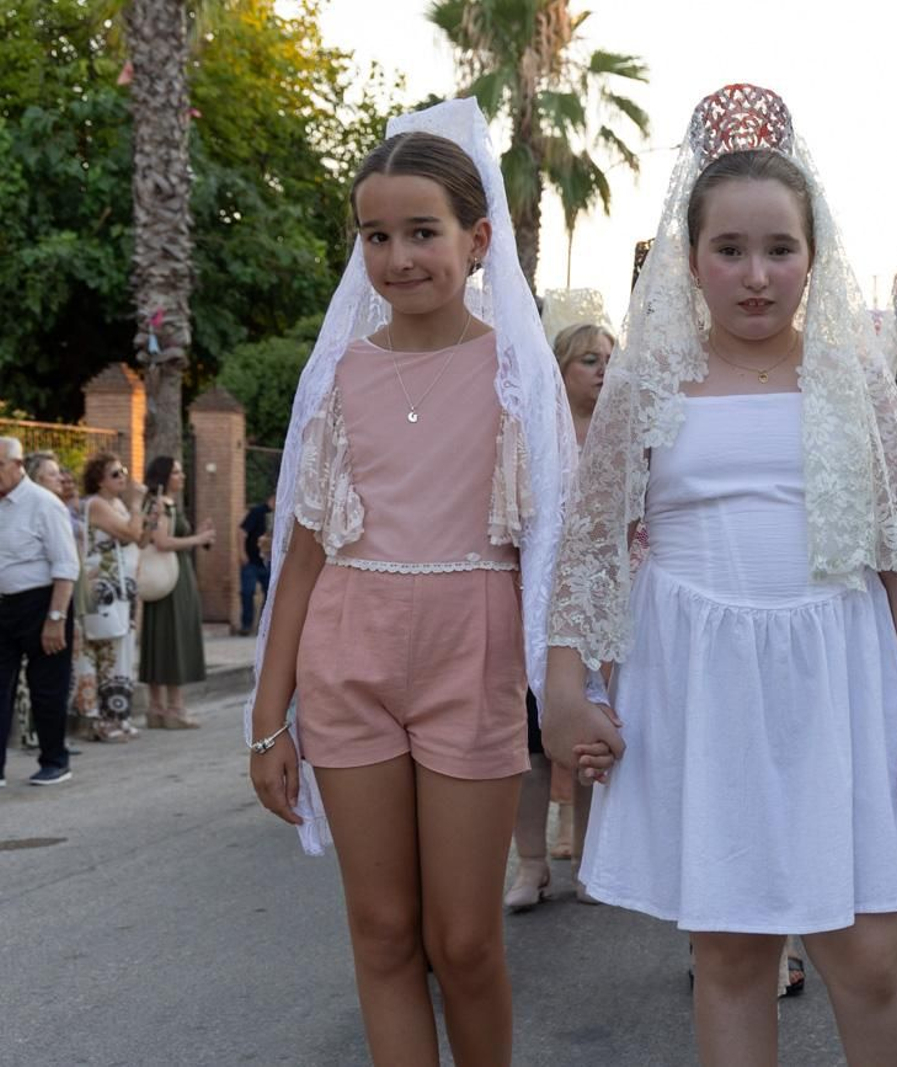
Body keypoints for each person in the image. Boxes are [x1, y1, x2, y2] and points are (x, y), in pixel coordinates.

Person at [541, 84, 897, 1067]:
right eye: (728, 250)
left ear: (811, 256)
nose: (754, 275)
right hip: (698, 681)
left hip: (837, 679)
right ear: (688, 259)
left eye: (778, 249)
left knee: (868, 957)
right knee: (731, 955)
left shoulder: (852, 382)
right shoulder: (645, 384)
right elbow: (591, 546)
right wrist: (566, 689)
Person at [244, 99, 574, 1064]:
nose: (398, 257)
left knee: (464, 941)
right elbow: (303, 554)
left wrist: (570, 689)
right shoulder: (339, 375)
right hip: (347, 658)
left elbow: (555, 548)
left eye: (421, 232)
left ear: (477, 240)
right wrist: (270, 719)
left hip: (472, 658)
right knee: (383, 931)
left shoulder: (518, 373)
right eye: (376, 235)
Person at [504, 320, 613, 912]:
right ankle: (532, 866)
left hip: (602, 608)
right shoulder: (533, 433)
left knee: (596, 738)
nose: (602, 371)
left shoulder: (623, 436)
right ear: (561, 367)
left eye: (607, 360)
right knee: (529, 748)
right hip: (537, 606)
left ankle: (591, 865)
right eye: (589, 360)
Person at [0, 436, 79, 787]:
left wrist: (56, 619)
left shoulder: (44, 504)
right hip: (4, 604)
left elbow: (66, 565)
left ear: (17, 466)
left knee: (47, 687)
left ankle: (54, 760)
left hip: (43, 602)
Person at [139, 455, 212, 727]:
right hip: (170, 577)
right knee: (172, 638)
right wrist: (198, 539)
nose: (182, 477)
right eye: (177, 472)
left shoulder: (163, 504)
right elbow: (161, 541)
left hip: (172, 574)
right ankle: (174, 708)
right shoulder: (160, 504)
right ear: (165, 476)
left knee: (161, 638)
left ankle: (157, 707)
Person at [79, 452, 146, 741]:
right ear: (99, 481)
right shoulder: (96, 504)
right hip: (102, 588)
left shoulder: (117, 503)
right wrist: (137, 505)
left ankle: (121, 716)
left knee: (123, 649)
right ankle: (104, 722)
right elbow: (131, 533)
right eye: (116, 473)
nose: (123, 477)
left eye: (124, 471)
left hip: (122, 588)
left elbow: (140, 536)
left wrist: (141, 514)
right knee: (105, 650)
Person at [238, 493, 274, 634]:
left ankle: (262, 625)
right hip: (251, 561)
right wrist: (241, 553)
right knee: (247, 592)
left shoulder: (279, 514)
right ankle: (246, 625)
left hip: (268, 562)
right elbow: (241, 531)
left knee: (270, 594)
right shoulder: (258, 511)